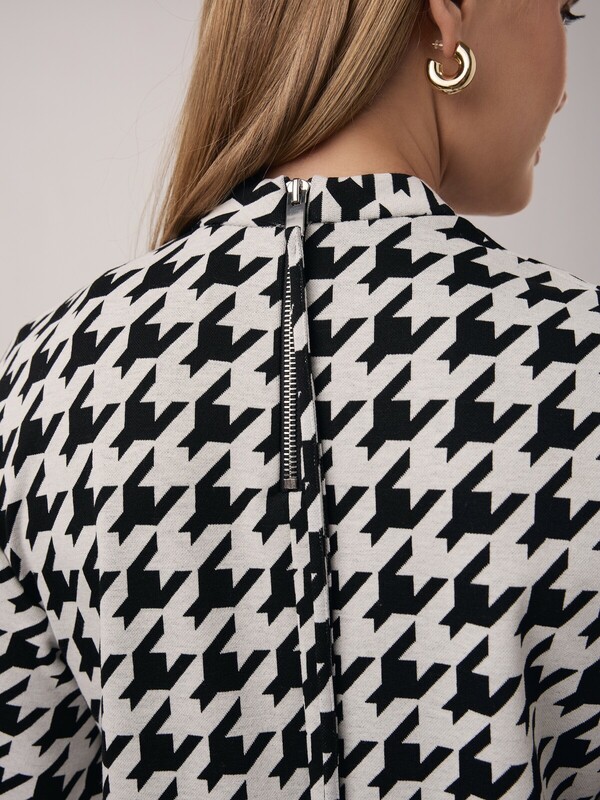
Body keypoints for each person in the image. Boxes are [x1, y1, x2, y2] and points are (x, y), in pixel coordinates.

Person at [0, 0, 597, 798]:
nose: (566, 87)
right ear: (447, 19)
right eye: (565, 11)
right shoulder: (577, 361)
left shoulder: (51, 380)